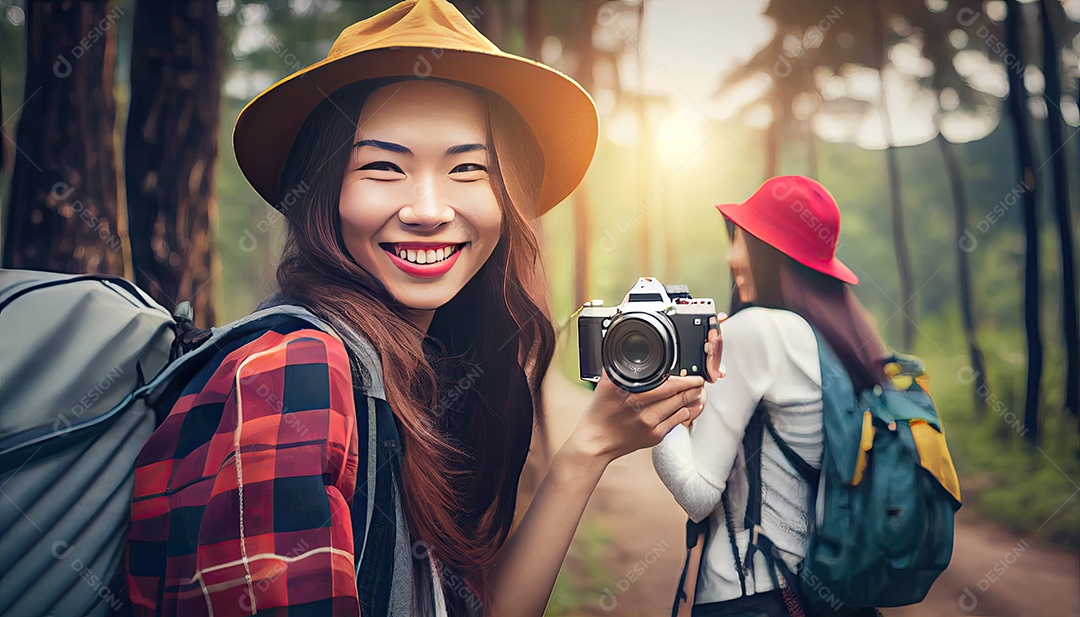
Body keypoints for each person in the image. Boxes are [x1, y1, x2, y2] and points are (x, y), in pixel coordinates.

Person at [123, 1, 720, 616]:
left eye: (469, 168)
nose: (429, 208)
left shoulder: (421, 377)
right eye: (383, 166)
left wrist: (591, 444)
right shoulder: (293, 373)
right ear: (324, 188)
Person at [652, 175, 888, 617]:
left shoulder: (759, 329)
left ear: (768, 251)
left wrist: (649, 404)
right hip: (821, 593)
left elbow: (697, 492)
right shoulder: (835, 339)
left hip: (752, 595)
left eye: (740, 240)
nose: (731, 256)